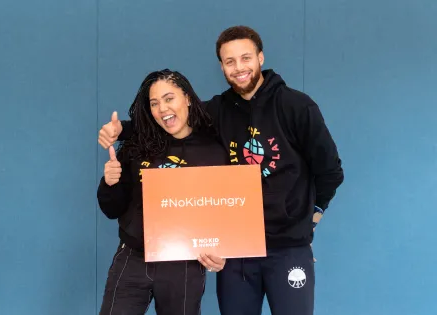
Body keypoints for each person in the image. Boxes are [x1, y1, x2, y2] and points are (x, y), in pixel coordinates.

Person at [98, 26, 344, 315]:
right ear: (222, 67)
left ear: (260, 57)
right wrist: (122, 130)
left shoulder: (297, 106)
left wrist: (310, 219)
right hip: (237, 251)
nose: (239, 68)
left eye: (245, 58)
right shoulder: (219, 110)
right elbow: (171, 117)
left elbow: (330, 171)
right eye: (230, 61)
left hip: (288, 247)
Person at [97, 69, 228, 315]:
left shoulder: (214, 151)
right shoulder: (138, 145)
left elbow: (226, 208)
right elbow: (111, 209)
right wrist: (110, 182)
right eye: (154, 103)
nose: (162, 109)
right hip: (133, 258)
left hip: (185, 265)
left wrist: (223, 250)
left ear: (187, 98)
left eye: (169, 99)